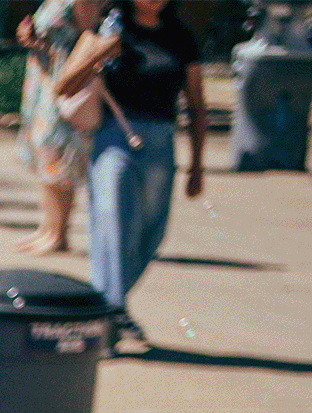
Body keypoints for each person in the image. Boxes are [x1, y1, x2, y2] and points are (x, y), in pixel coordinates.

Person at [56, 0, 205, 349]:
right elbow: (62, 86)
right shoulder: (109, 28)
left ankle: (107, 307)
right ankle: (112, 311)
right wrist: (99, 53)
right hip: (113, 139)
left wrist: (197, 165)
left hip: (161, 143)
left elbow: (196, 105)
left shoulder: (181, 38)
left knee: (151, 232)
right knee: (112, 226)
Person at [14, 0, 99, 253]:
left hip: (65, 81)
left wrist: (71, 77)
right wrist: (30, 37)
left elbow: (90, 38)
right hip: (45, 77)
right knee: (44, 153)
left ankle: (59, 234)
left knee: (59, 155)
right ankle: (48, 228)